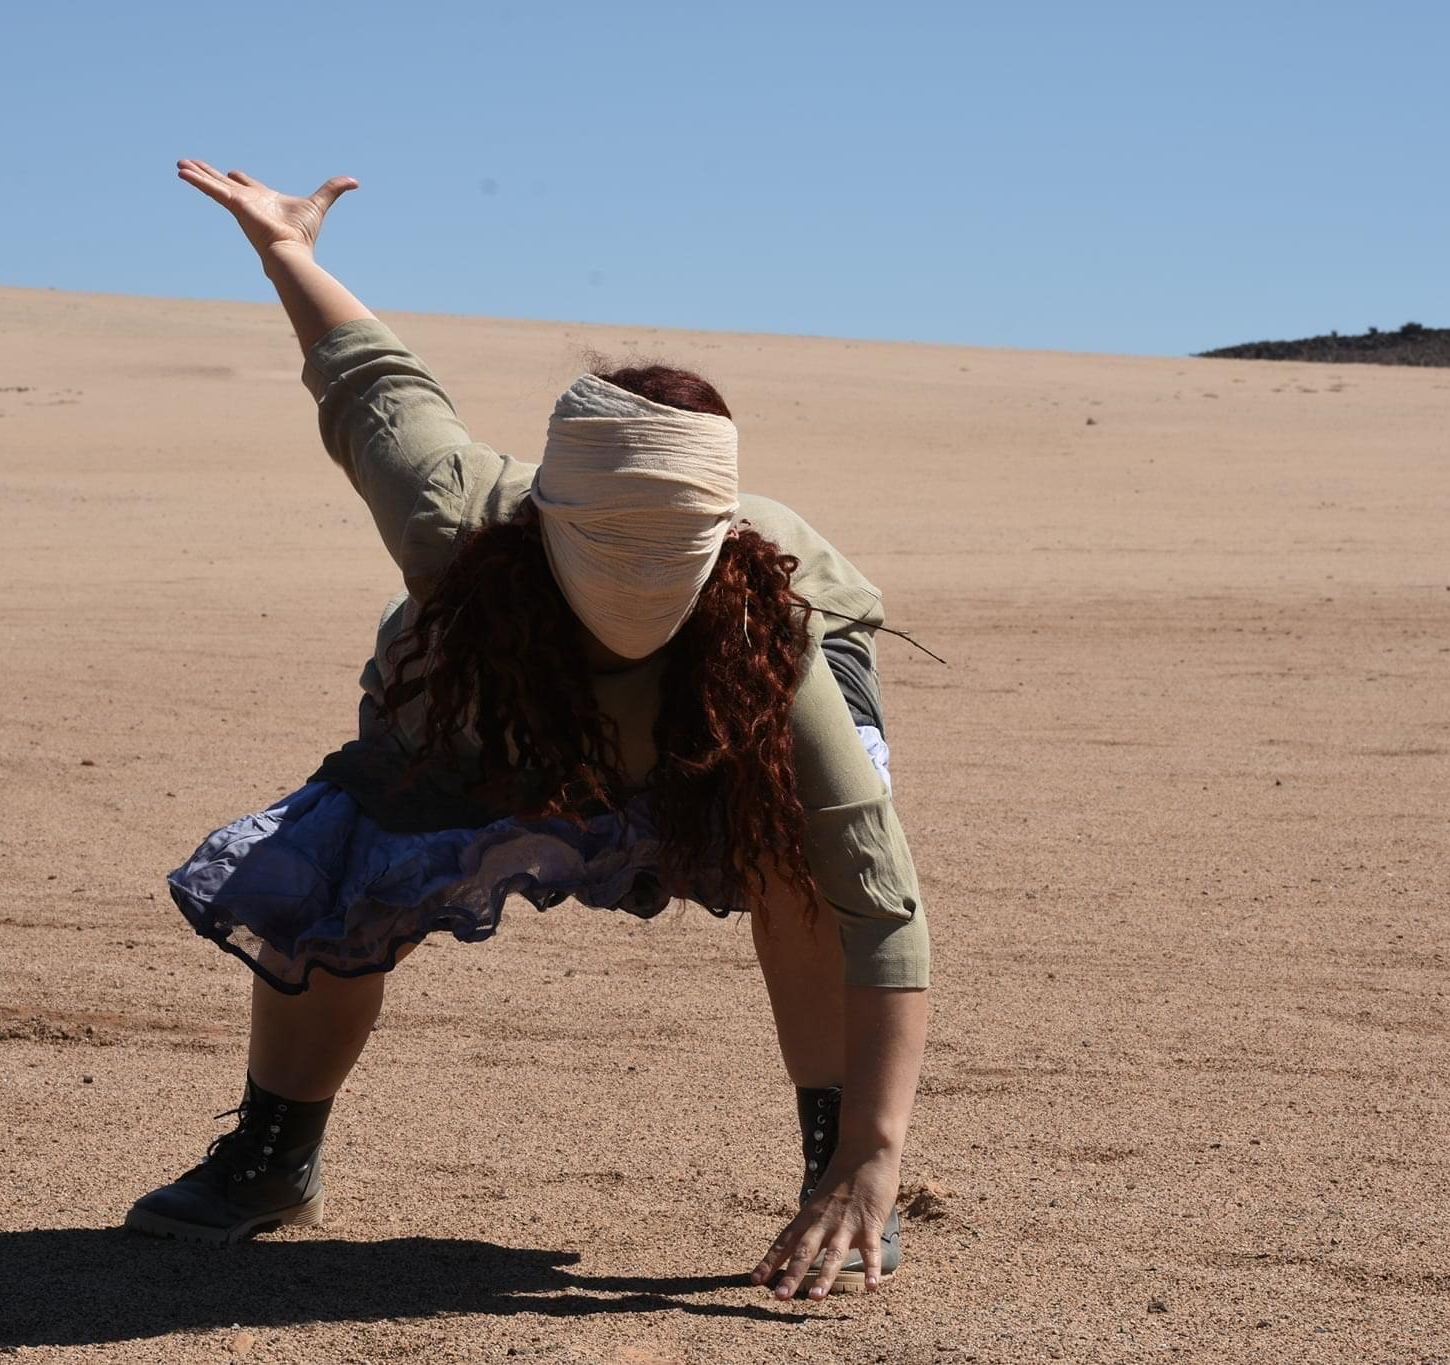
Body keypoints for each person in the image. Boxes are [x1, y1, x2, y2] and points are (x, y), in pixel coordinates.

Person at [126, 158, 930, 1303]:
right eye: (607, 551)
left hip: (720, 692)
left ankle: (833, 1172)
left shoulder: (763, 623)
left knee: (794, 855)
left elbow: (877, 899)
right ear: (541, 516)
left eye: (671, 555)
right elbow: (370, 379)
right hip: (497, 692)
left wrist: (873, 1157)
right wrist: (287, 249)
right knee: (344, 865)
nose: (637, 585)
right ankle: (273, 1156)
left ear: (719, 540)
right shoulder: (454, 515)